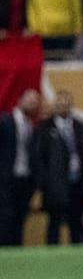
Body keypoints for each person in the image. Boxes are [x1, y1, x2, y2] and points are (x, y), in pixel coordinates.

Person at [35, 91, 83, 245]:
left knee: (76, 225)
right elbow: (38, 158)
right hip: (55, 186)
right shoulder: (45, 128)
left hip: (77, 183)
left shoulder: (79, 127)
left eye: (65, 103)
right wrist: (46, 182)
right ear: (54, 106)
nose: (62, 105)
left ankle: (77, 256)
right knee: (54, 224)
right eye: (59, 103)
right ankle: (52, 256)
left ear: (70, 105)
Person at [0, 89, 41, 246]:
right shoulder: (5, 121)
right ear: (19, 100)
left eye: (35, 101)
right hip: (6, 178)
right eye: (29, 99)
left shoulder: (33, 126)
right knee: (5, 216)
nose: (32, 103)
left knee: (20, 216)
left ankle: (17, 248)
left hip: (25, 179)